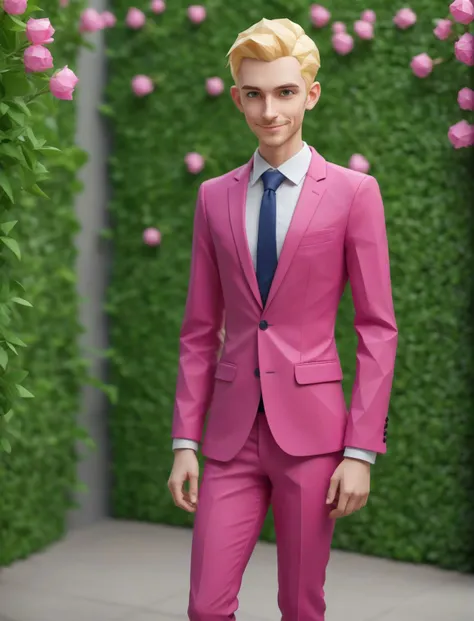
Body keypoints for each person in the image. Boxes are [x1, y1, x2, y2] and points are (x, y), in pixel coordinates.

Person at [168, 17, 398, 621]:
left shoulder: (354, 193)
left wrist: (361, 450)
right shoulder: (214, 197)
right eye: (254, 93)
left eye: (285, 92)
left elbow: (377, 329)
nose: (269, 110)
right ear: (239, 96)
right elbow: (199, 329)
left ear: (311, 94)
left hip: (315, 439)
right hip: (230, 437)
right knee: (205, 606)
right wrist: (185, 439)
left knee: (300, 605)